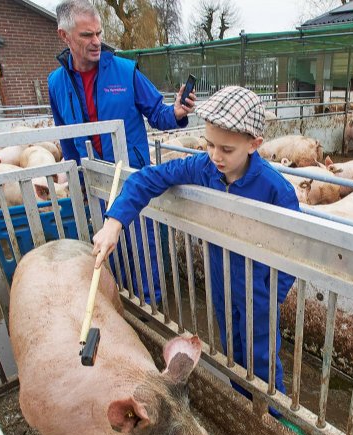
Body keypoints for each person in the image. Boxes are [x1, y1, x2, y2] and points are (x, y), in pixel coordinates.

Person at [91, 86, 300, 413]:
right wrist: (114, 222)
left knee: (263, 361)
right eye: (210, 144)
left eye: (227, 149)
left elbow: (295, 252)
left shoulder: (277, 190)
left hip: (258, 288)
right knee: (232, 352)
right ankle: (244, 408)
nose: (216, 156)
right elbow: (147, 179)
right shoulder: (203, 168)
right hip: (221, 282)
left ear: (254, 144)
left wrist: (271, 294)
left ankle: (273, 419)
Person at [48, 0, 195, 303]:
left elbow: (158, 113)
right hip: (95, 182)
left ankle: (152, 306)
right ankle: (121, 302)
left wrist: (177, 112)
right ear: (65, 36)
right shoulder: (56, 83)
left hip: (132, 180)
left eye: (98, 33)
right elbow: (66, 138)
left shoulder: (125, 72)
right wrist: (75, 178)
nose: (96, 42)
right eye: (86, 35)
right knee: (111, 250)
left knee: (144, 250)